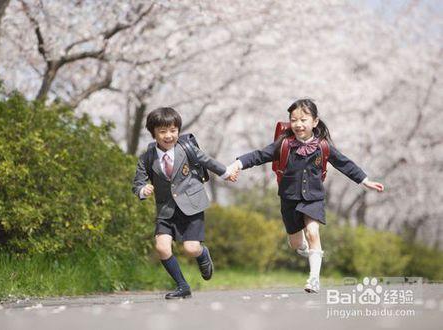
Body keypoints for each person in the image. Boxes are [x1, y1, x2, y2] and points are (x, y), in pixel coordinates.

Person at [229, 99, 384, 293]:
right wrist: (237, 164)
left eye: (303, 119)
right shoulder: (284, 144)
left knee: (313, 232)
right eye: (294, 120)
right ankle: (300, 244)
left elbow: (344, 163)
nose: (298, 124)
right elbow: (259, 155)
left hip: (313, 198)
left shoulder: (323, 146)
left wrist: (365, 180)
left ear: (315, 121)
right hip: (289, 198)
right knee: (296, 243)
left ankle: (314, 279)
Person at [132, 107, 238, 299]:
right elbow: (138, 182)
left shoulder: (186, 148)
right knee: (162, 247)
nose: (168, 135)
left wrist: (226, 173)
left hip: (192, 206)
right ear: (153, 132)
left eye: (173, 130)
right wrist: (142, 189)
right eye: (163, 131)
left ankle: (202, 254)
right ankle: (182, 286)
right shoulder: (147, 157)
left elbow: (208, 161)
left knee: (191, 248)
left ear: (178, 130)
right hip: (165, 209)